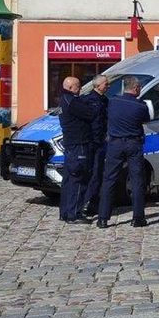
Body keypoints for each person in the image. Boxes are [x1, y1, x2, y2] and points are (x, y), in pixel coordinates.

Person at [97, 78, 151, 228]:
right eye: (139, 88)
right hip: (133, 143)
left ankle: (103, 218)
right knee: (137, 180)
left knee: (109, 180)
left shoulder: (113, 102)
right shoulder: (140, 106)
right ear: (135, 88)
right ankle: (138, 218)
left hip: (115, 144)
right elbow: (146, 120)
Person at [57, 76, 97, 223]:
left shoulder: (63, 99)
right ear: (70, 88)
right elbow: (91, 114)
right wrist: (93, 104)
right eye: (78, 87)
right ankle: (74, 214)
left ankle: (65, 212)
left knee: (68, 180)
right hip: (79, 144)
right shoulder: (72, 101)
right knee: (78, 179)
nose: (80, 89)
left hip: (71, 144)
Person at [78, 76, 110, 218]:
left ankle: (94, 203)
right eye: (106, 83)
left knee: (98, 173)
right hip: (91, 142)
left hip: (101, 142)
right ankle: (86, 203)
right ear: (98, 85)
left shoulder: (105, 100)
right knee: (92, 173)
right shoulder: (87, 99)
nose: (108, 85)